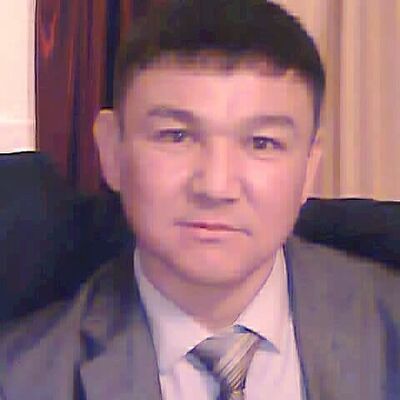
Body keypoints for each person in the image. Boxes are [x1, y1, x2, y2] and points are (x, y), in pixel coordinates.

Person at [1, 1, 399, 399]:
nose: (216, 186)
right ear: (111, 151)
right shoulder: (23, 379)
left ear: (309, 168)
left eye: (262, 143)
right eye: (176, 136)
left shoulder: (386, 329)